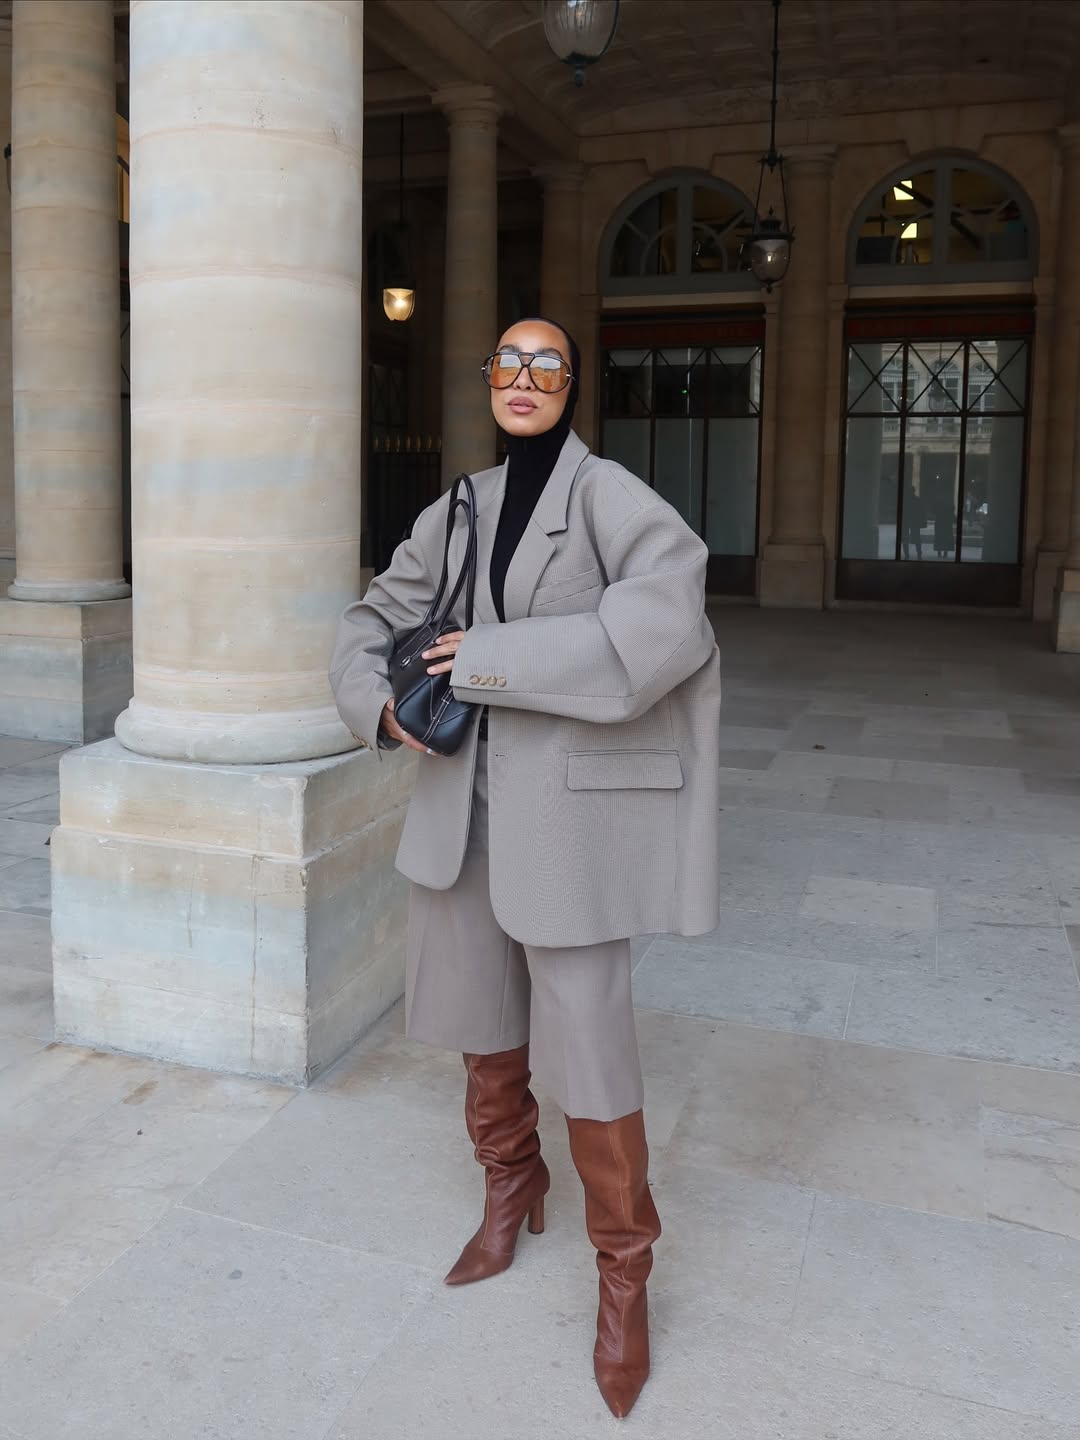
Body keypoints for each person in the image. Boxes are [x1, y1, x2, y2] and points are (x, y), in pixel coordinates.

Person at [329, 317, 721, 1418]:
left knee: (588, 1046)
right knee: (480, 1017)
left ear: (572, 385)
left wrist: (492, 660)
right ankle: (511, 1185)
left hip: (567, 821)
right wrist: (375, 707)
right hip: (463, 806)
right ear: (490, 380)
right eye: (509, 362)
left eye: (548, 365)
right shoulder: (464, 505)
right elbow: (373, 616)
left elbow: (670, 617)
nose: (525, 378)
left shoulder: (607, 496)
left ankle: (624, 1273)